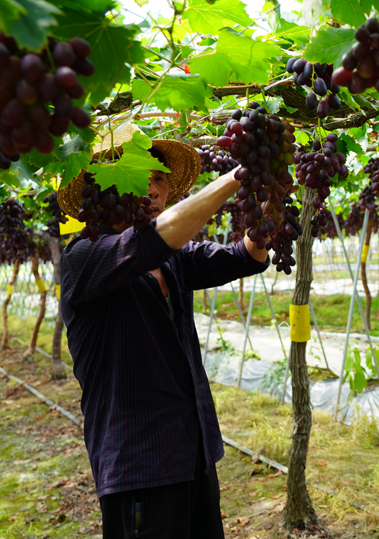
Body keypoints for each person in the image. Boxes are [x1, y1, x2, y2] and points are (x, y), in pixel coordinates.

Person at [57, 126, 270, 539]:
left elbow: (241, 257)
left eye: (160, 179)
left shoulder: (175, 261)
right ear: (102, 189)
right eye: (141, 177)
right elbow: (150, 243)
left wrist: (267, 204)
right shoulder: (82, 260)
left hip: (194, 452)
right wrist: (237, 176)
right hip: (140, 463)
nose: (154, 190)